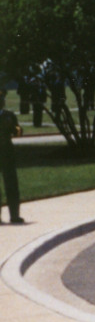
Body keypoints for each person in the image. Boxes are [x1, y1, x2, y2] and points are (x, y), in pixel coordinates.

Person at [0, 91, 24, 224]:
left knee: (12, 185)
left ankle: (14, 215)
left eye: (1, 99)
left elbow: (18, 132)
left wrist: (16, 129)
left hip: (7, 153)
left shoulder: (9, 115)